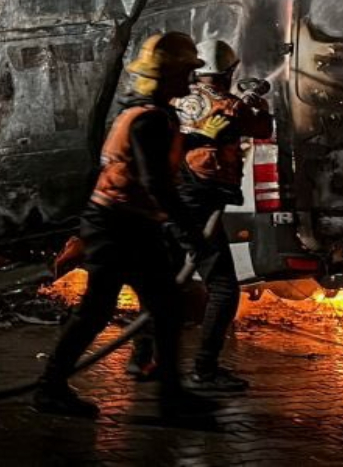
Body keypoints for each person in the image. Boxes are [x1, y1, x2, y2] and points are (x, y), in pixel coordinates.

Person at [33, 32, 215, 419]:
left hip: (122, 222)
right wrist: (190, 231)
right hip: (120, 225)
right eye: (185, 73)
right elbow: (155, 183)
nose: (191, 81)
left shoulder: (146, 114)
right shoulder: (150, 120)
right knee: (110, 309)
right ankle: (53, 389)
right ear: (164, 76)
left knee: (157, 308)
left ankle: (169, 395)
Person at [128, 39, 273, 392]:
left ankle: (142, 355)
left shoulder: (175, 102)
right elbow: (263, 131)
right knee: (223, 287)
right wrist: (257, 104)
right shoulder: (229, 106)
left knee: (166, 282)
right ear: (228, 71)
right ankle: (205, 369)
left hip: (170, 196)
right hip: (199, 202)